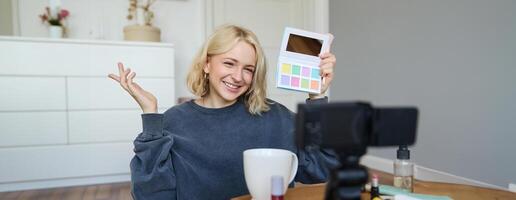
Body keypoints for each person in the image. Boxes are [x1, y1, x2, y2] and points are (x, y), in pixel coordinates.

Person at [108, 25, 338, 200]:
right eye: (229, 63)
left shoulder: (274, 116)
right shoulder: (173, 121)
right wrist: (151, 116)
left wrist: (317, 98)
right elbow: (151, 195)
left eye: (248, 69)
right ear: (207, 65)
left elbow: (325, 168)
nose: (238, 77)